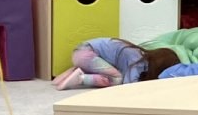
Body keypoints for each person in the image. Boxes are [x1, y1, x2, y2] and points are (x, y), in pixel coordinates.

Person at [53, 37, 181, 89]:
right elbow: (128, 84)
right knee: (118, 79)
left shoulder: (138, 54)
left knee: (112, 74)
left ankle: (74, 72)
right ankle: (81, 78)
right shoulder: (138, 60)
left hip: (81, 53)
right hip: (86, 54)